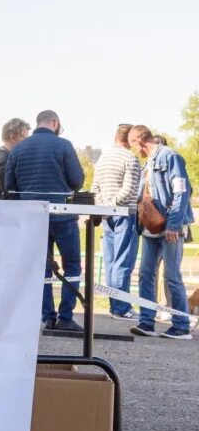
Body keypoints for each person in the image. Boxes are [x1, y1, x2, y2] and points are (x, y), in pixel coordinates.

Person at [5, 110, 85, 331]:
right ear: (55, 123)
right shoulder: (64, 146)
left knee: (41, 269)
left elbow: (9, 186)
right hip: (63, 217)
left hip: (32, 217)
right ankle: (66, 317)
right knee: (72, 266)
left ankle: (47, 317)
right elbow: (77, 180)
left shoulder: (18, 149)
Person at [127, 125, 193, 339]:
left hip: (170, 229)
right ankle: (146, 322)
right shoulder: (148, 163)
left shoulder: (170, 157)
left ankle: (181, 325)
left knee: (172, 275)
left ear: (139, 140)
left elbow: (181, 192)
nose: (134, 150)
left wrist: (173, 225)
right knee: (146, 274)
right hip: (150, 229)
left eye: (133, 145)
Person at [91, 123, 142, 319]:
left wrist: (105, 208)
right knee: (123, 262)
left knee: (111, 262)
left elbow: (95, 188)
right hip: (124, 214)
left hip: (106, 216)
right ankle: (122, 308)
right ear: (130, 139)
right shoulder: (130, 159)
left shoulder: (103, 158)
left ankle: (115, 306)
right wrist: (113, 206)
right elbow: (130, 190)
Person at [0, 117, 30, 200]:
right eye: (24, 138)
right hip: (1, 210)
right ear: (13, 137)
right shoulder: (6, 160)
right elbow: (9, 194)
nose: (27, 142)